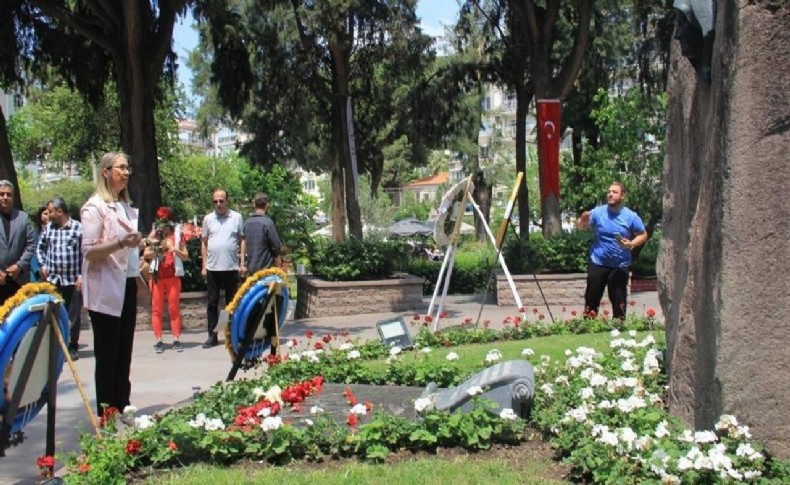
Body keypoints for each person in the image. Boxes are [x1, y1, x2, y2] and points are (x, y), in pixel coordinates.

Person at [80, 152, 142, 415]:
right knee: (107, 354)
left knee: (124, 350)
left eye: (128, 168)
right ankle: (107, 410)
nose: (126, 173)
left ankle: (123, 404)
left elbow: (128, 248)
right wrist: (120, 243)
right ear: (105, 172)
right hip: (105, 290)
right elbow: (89, 251)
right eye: (120, 168)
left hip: (126, 284)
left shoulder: (124, 206)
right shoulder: (94, 207)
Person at [576, 181, 648, 319]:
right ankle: (587, 326)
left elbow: (643, 235)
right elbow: (581, 227)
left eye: (614, 192)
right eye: (609, 192)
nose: (610, 194)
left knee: (618, 301)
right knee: (591, 299)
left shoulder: (630, 216)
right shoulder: (598, 212)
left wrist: (631, 243)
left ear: (623, 196)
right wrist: (582, 220)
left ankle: (618, 329)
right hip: (598, 262)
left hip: (620, 266)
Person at [37, 197, 83, 361]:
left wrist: (82, 275)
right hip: (54, 280)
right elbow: (40, 248)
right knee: (54, 314)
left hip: (73, 280)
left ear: (60, 211)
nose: (47, 215)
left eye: (50, 212)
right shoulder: (48, 229)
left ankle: (72, 346)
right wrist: (42, 264)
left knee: (73, 315)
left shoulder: (78, 228)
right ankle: (56, 347)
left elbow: (87, 253)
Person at [201, 188, 245, 348]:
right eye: (215, 201)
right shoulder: (208, 219)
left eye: (221, 201)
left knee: (230, 304)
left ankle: (228, 333)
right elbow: (204, 242)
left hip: (231, 267)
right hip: (213, 268)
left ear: (227, 201)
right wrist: (204, 265)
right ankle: (212, 335)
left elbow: (242, 240)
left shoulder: (236, 217)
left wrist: (242, 264)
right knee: (212, 303)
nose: (218, 204)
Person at [143, 206, 188, 353]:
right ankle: (159, 340)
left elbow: (186, 256)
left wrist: (174, 249)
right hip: (157, 277)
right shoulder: (155, 235)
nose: (165, 225)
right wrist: (158, 247)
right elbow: (146, 255)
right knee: (157, 309)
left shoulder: (177, 236)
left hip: (173, 276)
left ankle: (176, 338)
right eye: (163, 222)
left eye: (168, 222)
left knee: (174, 308)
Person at [0, 180, 36, 306]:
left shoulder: (23, 218)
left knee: (20, 322)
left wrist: (19, 266)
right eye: (2, 194)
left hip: (19, 280)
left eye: (8, 194)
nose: (5, 197)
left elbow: (31, 244)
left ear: (13, 197)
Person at [244, 193, 282, 274]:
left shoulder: (247, 223)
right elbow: (276, 245)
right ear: (266, 205)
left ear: (254, 205)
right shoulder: (268, 223)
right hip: (266, 270)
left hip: (251, 269)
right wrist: (276, 256)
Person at [30, 206, 49, 281]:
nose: (48, 216)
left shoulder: (56, 232)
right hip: (37, 271)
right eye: (45, 214)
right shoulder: (34, 233)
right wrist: (38, 269)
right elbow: (32, 251)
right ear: (40, 216)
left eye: (49, 213)